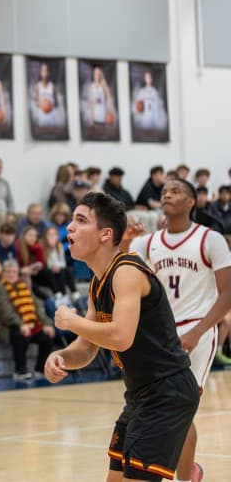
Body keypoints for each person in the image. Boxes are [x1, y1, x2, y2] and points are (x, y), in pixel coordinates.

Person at [45, 193, 199, 482]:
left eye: (81, 220)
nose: (70, 228)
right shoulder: (97, 282)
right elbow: (88, 348)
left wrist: (72, 321)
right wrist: (61, 357)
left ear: (105, 234)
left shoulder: (126, 272)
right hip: (140, 395)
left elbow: (120, 337)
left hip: (167, 392)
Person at [126, 179, 231, 482]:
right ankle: (191, 472)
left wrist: (198, 332)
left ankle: (186, 478)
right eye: (164, 192)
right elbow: (120, 275)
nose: (167, 194)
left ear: (191, 201)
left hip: (197, 331)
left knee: (180, 407)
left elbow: (227, 293)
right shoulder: (147, 242)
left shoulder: (210, 240)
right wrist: (124, 243)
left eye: (175, 191)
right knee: (172, 409)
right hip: (162, 335)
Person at [0, 260, 55, 380]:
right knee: (20, 334)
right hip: (4, 326)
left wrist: (46, 323)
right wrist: (21, 324)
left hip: (27, 323)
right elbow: (5, 312)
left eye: (14, 272)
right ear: (3, 273)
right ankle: (20, 370)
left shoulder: (22, 285)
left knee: (47, 337)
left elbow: (36, 306)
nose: (11, 275)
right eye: (8, 272)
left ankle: (40, 369)